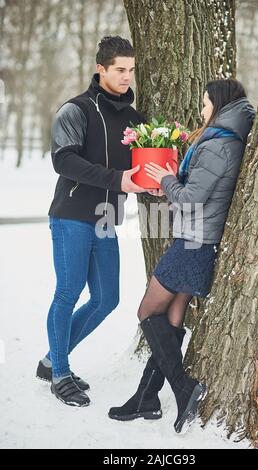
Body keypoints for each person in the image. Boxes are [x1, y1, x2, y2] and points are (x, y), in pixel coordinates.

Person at [108, 78, 256, 433]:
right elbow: (190, 189)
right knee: (172, 316)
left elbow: (191, 197)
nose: (202, 109)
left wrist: (168, 179)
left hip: (192, 241)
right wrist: (167, 186)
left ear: (218, 104)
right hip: (197, 239)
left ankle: (183, 387)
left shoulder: (220, 144)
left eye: (205, 103)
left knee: (147, 310)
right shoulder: (222, 139)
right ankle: (146, 397)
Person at [36, 36, 145, 407]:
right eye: (120, 70)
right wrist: (117, 180)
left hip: (107, 218)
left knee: (106, 299)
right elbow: (63, 161)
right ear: (101, 69)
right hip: (71, 215)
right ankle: (60, 373)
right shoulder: (76, 109)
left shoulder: (135, 120)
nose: (127, 76)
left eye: (131, 69)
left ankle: (52, 358)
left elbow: (140, 168)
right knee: (68, 292)